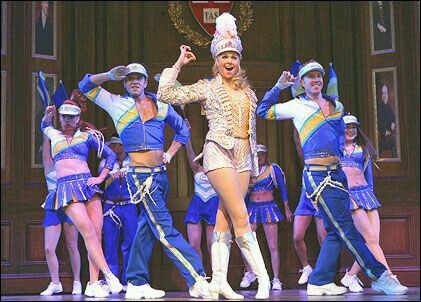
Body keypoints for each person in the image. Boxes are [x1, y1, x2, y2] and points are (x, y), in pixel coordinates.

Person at [257, 60, 407, 296]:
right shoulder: (296, 106)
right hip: (317, 176)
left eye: (319, 76)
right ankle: (380, 276)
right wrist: (278, 87)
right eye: (310, 76)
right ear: (302, 82)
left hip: (337, 173)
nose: (316, 80)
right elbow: (262, 111)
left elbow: (338, 138)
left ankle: (319, 280)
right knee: (345, 226)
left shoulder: (337, 106)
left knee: (335, 230)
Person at [158, 12, 270, 300]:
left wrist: (254, 163)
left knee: (226, 219)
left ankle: (219, 281)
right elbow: (165, 93)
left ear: (239, 60)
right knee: (242, 216)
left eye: (233, 56)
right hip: (218, 153)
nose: (229, 61)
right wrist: (179, 64)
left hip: (244, 157)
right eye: (224, 57)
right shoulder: (208, 87)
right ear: (216, 61)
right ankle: (264, 280)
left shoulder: (247, 90)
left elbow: (252, 131)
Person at [78, 63, 211, 300]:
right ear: (124, 83)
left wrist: (170, 153)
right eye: (129, 79)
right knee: (163, 228)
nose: (134, 82)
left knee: (146, 229)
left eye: (139, 78)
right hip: (141, 178)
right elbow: (85, 86)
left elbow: (182, 131)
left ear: (146, 81)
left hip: (160, 175)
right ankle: (196, 277)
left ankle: (137, 282)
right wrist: (108, 75)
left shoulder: (160, 105)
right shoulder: (117, 103)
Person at [41, 92, 122, 298]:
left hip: (87, 185)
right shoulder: (53, 134)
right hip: (66, 189)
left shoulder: (87, 136)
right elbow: (43, 127)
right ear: (60, 118)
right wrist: (46, 117)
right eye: (64, 116)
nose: (67, 120)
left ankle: (93, 283)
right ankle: (110, 276)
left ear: (78, 119)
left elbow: (110, 155)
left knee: (96, 234)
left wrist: (101, 177)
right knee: (87, 231)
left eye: (71, 117)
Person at [339, 114, 407, 293]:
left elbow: (368, 178)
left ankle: (350, 275)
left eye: (353, 127)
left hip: (366, 196)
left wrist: (370, 195)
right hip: (350, 197)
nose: (350, 130)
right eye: (347, 127)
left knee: (373, 241)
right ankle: (389, 277)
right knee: (370, 240)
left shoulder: (362, 149)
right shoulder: (336, 149)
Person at [239, 144, 292, 291]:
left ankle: (276, 279)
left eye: (261, 154)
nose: (259, 157)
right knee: (246, 242)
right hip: (252, 209)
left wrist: (287, 208)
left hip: (269, 207)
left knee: (273, 245)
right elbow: (244, 193)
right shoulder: (249, 171)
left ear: (266, 155)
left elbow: (282, 189)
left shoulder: (272, 169)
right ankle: (249, 272)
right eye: (256, 155)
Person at [39, 134, 82, 296]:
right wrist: (46, 127)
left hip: (70, 205)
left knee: (73, 246)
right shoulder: (49, 165)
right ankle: (55, 283)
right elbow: (45, 143)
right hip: (52, 207)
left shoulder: (71, 166)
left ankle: (77, 282)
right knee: (49, 248)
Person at [99, 133, 136, 292]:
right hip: (111, 206)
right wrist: (111, 176)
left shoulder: (132, 161)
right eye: (112, 145)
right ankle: (111, 279)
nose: (114, 148)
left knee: (130, 243)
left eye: (117, 145)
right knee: (110, 244)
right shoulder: (105, 163)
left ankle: (128, 279)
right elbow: (101, 184)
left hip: (129, 206)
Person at [292, 129, 327, 285]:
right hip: (306, 196)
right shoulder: (306, 154)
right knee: (297, 236)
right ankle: (306, 267)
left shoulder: (328, 152)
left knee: (323, 238)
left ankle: (324, 273)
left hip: (322, 196)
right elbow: (298, 141)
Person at [184, 119, 218, 264]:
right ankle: (200, 277)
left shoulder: (219, 168)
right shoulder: (196, 167)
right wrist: (185, 131)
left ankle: (218, 278)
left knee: (213, 245)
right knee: (193, 244)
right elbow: (189, 149)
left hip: (213, 203)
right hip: (197, 203)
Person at [377, 84, 397, 158]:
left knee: (395, 141)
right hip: (383, 138)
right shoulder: (379, 108)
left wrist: (393, 123)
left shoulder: (388, 106)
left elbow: (393, 118)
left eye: (385, 93)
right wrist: (384, 132)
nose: (384, 95)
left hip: (390, 136)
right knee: (394, 141)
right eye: (382, 93)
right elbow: (378, 123)